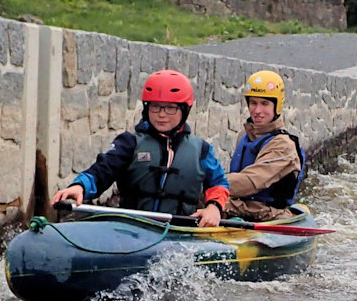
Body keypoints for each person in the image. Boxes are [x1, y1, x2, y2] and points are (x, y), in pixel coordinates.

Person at [50, 70, 229, 227]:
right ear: (146, 108)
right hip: (133, 227)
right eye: (156, 107)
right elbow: (103, 169)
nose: (161, 114)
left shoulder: (201, 150)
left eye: (170, 108)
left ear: (184, 110)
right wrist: (80, 186)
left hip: (180, 230)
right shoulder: (129, 143)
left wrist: (214, 207)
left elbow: (218, 183)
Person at [224, 70, 306, 222]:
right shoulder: (244, 134)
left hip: (269, 215)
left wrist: (211, 185)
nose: (257, 111)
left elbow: (251, 181)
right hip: (240, 207)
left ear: (277, 105)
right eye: (253, 103)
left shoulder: (283, 145)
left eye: (265, 103)